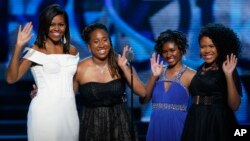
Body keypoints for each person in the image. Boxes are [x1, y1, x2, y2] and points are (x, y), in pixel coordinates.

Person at [6, 4, 79, 141]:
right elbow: (11, 78)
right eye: (52, 24)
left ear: (66, 26)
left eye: (61, 24)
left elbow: (73, 84)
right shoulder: (36, 50)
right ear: (45, 26)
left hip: (69, 112)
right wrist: (19, 47)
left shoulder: (72, 50)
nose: (56, 29)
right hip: (44, 112)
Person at [73, 23, 146, 141]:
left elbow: (142, 93)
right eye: (96, 41)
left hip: (120, 124)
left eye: (105, 40)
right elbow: (67, 98)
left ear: (110, 42)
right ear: (89, 46)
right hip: (92, 125)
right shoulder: (79, 69)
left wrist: (124, 67)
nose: (101, 45)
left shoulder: (121, 63)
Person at [181, 23, 242, 141]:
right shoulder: (199, 68)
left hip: (217, 121)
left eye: (211, 46)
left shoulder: (227, 68)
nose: (206, 50)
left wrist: (228, 75)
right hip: (196, 119)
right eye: (203, 46)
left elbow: (234, 105)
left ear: (221, 47)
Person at [140, 30, 196, 141]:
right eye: (164, 51)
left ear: (181, 49)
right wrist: (153, 76)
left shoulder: (192, 75)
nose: (168, 55)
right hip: (156, 127)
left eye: (172, 50)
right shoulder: (158, 71)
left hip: (179, 127)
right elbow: (144, 100)